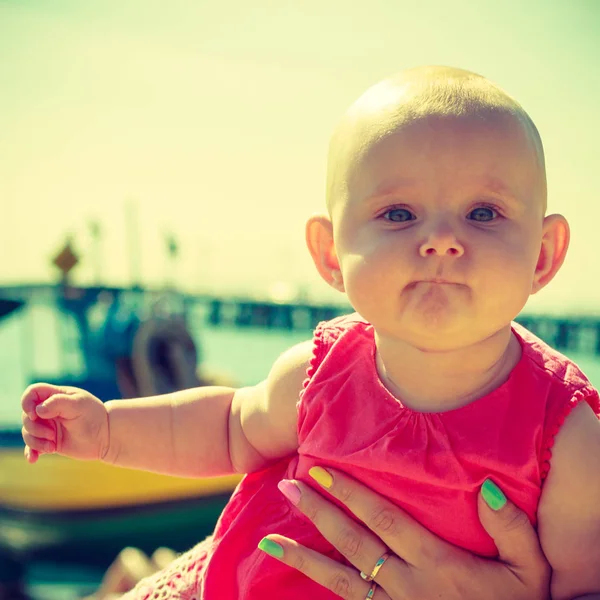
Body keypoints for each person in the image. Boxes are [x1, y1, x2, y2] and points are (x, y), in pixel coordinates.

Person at [21, 65, 600, 600]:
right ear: (331, 255)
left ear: (544, 255)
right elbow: (227, 427)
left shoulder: (565, 436)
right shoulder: (321, 371)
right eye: (399, 213)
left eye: (484, 213)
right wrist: (106, 431)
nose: (442, 240)